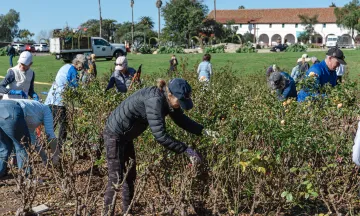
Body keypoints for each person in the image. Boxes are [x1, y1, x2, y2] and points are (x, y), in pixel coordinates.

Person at [103, 78, 215, 215]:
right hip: (115, 134)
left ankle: (127, 212)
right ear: (170, 95)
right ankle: (107, 213)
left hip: (126, 136)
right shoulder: (155, 100)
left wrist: (204, 131)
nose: (180, 105)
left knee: (130, 175)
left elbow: (182, 120)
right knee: (115, 178)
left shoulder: (168, 101)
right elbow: (160, 135)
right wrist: (187, 150)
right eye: (179, 102)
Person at [45, 54, 86, 147]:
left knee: (52, 123)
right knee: (63, 124)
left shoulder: (65, 66)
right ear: (78, 63)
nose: (82, 68)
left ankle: (47, 143)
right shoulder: (73, 71)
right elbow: (75, 87)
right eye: (82, 65)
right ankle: (60, 145)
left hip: (50, 99)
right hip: (59, 101)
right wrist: (83, 100)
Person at [12, 99, 58, 165]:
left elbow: (34, 140)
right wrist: (56, 157)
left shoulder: (32, 116)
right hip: (17, 108)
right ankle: (19, 164)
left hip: (7, 107)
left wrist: (44, 158)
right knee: (16, 139)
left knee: (12, 136)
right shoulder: (46, 111)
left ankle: (14, 161)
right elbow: (50, 134)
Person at [0, 98, 31, 178]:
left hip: (3, 107)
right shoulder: (44, 109)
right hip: (11, 110)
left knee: (4, 148)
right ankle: (25, 176)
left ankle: (1, 172)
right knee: (22, 146)